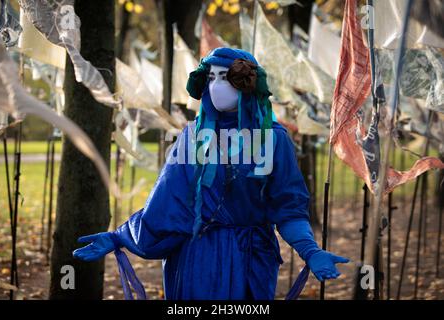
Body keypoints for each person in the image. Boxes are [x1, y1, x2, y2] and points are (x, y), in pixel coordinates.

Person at [73, 47, 349, 300]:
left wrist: (310, 251)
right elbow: (167, 206)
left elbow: (289, 208)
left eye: (227, 78)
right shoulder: (191, 137)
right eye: (212, 77)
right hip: (197, 259)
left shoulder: (274, 140)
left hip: (252, 259)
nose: (217, 86)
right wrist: (119, 236)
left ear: (248, 84)